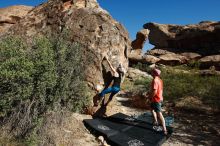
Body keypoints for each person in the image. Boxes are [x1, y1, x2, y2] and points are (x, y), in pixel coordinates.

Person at [146, 68, 167, 135]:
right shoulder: (160, 80)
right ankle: (155, 121)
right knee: (151, 109)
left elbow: (155, 91)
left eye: (152, 72)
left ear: (154, 73)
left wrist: (150, 97)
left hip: (156, 99)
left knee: (159, 113)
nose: (151, 73)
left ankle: (164, 129)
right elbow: (160, 90)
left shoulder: (155, 80)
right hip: (158, 98)